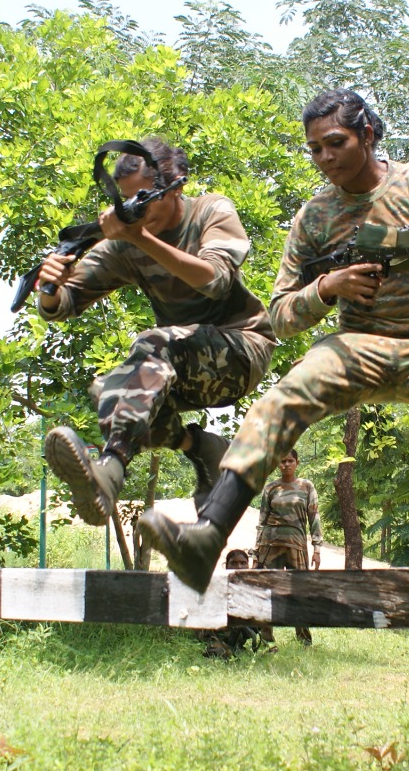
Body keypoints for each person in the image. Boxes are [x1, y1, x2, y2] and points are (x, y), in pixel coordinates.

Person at [140, 89, 409, 592]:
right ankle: (207, 538)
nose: (324, 157)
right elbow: (280, 314)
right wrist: (327, 288)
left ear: (367, 134)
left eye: (335, 142)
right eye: (314, 149)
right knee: (280, 401)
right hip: (356, 346)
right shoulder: (314, 216)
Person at [37, 138, 278, 527]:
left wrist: (139, 239)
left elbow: (215, 279)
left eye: (144, 198)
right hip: (180, 364)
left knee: (152, 343)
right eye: (127, 202)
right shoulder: (126, 245)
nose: (136, 210)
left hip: (242, 350)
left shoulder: (210, 211)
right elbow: (63, 304)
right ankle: (203, 448)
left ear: (177, 185)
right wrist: (50, 287)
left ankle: (110, 471)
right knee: (110, 393)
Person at [254, 449, 322, 646]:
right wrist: (257, 551)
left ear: (297, 463)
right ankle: (266, 641)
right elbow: (262, 520)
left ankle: (304, 640)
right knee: (267, 592)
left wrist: (317, 548)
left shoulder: (306, 486)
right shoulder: (270, 488)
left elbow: (314, 517)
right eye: (282, 461)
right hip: (270, 545)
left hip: (296, 545)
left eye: (290, 461)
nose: (286, 465)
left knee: (299, 592)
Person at [196, 548, 263, 658]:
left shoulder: (251, 586)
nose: (239, 567)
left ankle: (235, 645)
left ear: (248, 565)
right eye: (234, 563)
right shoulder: (217, 582)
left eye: (243, 563)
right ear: (226, 565)